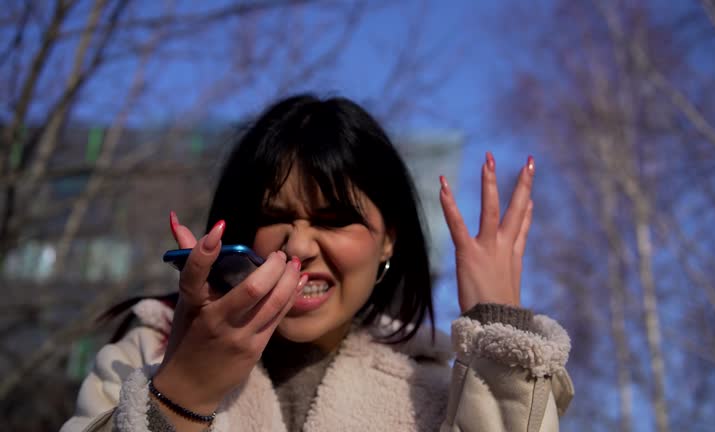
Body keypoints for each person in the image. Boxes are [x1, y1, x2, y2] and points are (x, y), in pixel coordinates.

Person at [61, 94, 573, 432]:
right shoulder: (149, 347)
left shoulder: (437, 386)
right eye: (274, 215)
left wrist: (501, 343)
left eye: (332, 219)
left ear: (388, 241)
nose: (300, 245)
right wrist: (179, 395)